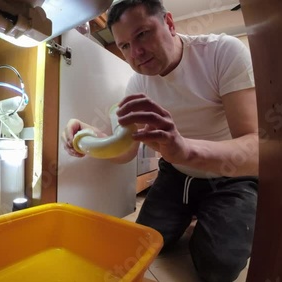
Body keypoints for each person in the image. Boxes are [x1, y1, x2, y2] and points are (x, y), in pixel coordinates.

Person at [61, 1, 258, 281]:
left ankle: (220, 216)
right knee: (146, 244)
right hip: (177, 175)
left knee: (218, 266)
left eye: (142, 34)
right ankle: (195, 214)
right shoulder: (137, 85)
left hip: (230, 178)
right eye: (125, 46)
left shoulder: (222, 52)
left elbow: (254, 148)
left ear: (169, 22)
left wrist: (185, 149)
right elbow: (126, 150)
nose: (136, 53)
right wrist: (89, 137)